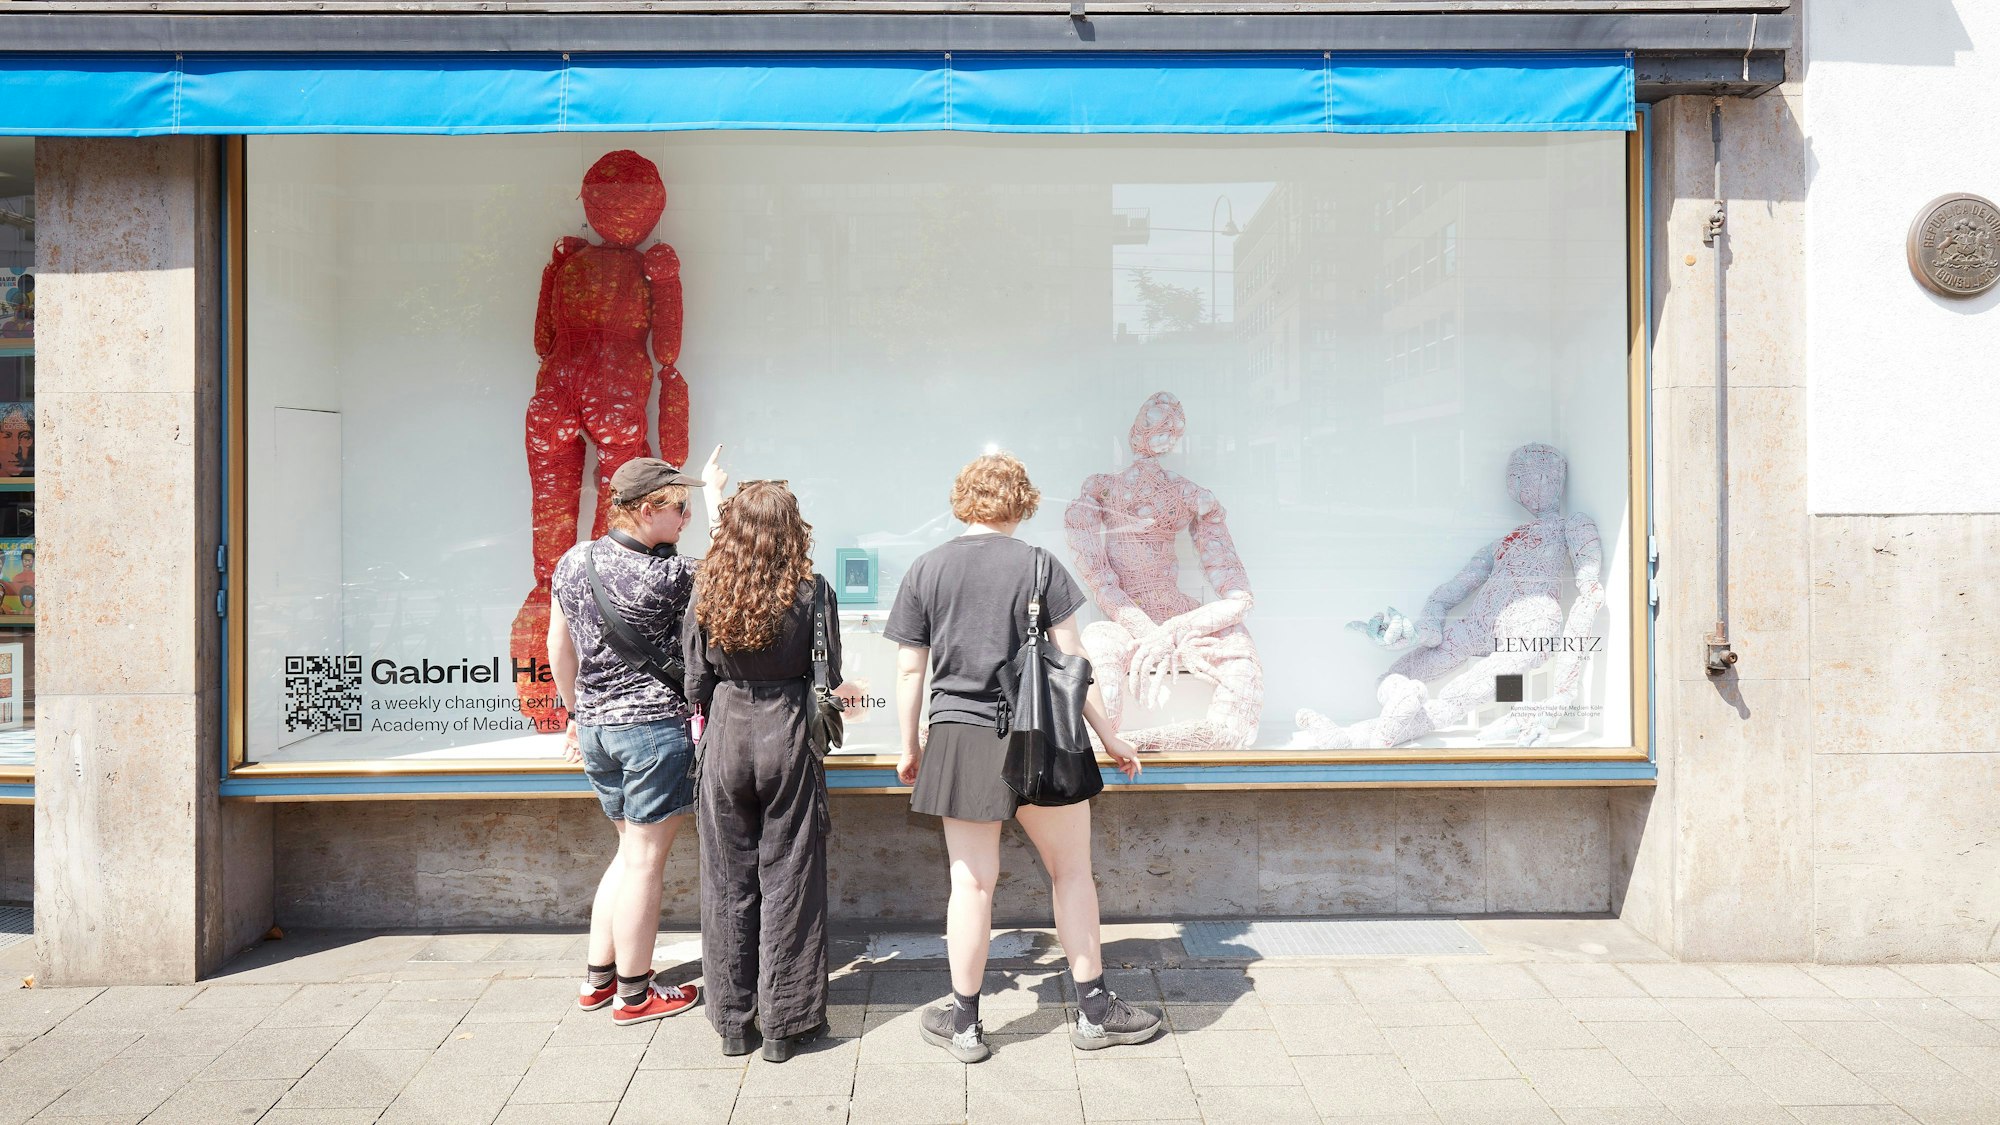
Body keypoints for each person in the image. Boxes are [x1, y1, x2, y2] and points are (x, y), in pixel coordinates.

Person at [885, 452, 1158, 1063]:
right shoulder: (1040, 565)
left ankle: (965, 1022)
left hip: (959, 734)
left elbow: (910, 669)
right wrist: (1110, 735)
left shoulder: (927, 568)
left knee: (971, 882)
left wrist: (911, 747)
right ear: (1022, 502)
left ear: (964, 499)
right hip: (1042, 736)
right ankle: (1093, 1009)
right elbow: (1071, 664)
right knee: (1071, 873)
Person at [685, 481, 863, 1062]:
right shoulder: (813, 592)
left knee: (727, 880)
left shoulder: (708, 587)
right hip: (788, 731)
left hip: (728, 728)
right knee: (791, 878)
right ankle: (785, 1024)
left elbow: (696, 678)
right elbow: (827, 672)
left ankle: (735, 1022)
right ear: (794, 529)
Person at [548, 449, 722, 1025]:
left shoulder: (574, 562)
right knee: (646, 861)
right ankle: (634, 992)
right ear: (648, 510)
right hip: (651, 730)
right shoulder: (671, 575)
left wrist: (576, 713)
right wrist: (723, 503)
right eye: (679, 508)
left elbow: (558, 645)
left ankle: (598, 979)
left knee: (627, 851)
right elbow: (734, 569)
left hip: (596, 728)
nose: (686, 519)